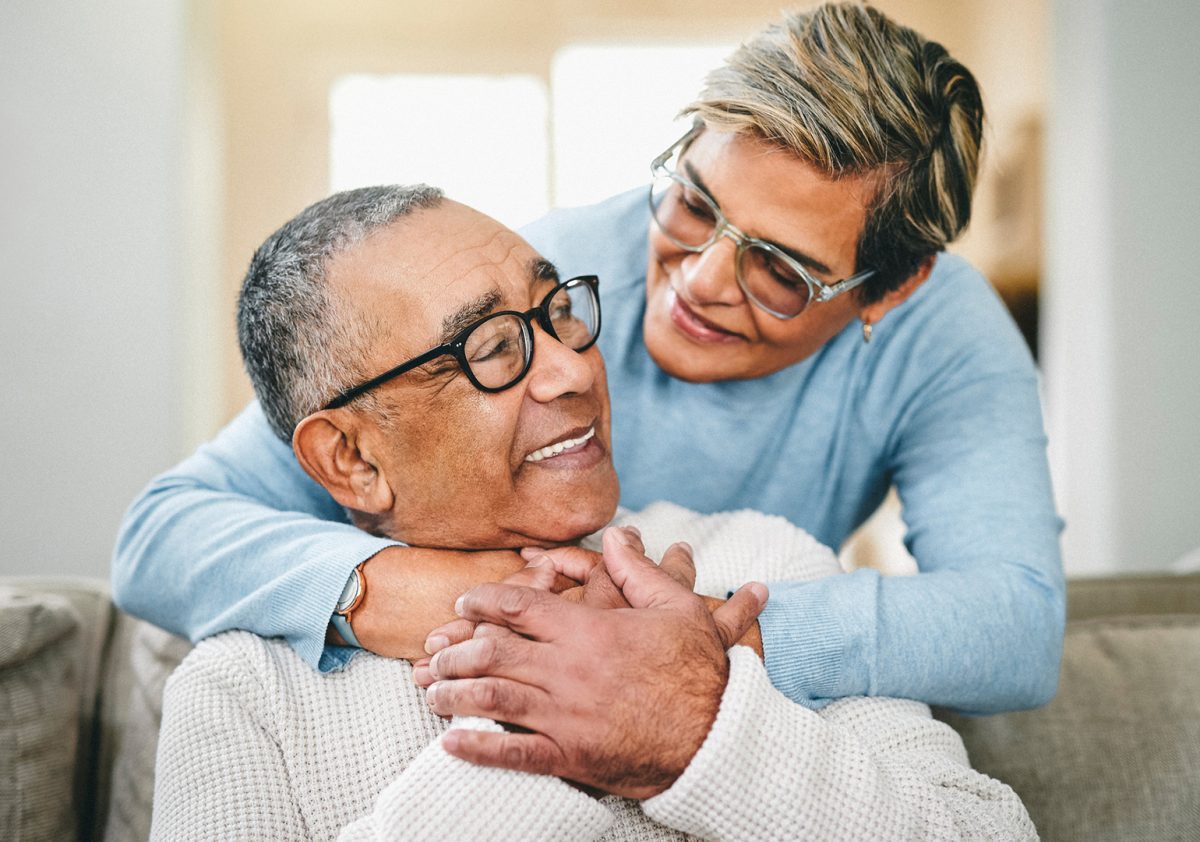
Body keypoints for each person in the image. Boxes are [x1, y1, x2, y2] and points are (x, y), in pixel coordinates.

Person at [114, 2, 1063, 714]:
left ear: (888, 290)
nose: (696, 280)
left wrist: (681, 642)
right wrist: (395, 590)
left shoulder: (945, 339)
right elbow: (163, 534)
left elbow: (1012, 630)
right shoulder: (544, 278)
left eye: (779, 269)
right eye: (694, 202)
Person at [150, 185, 1036, 839]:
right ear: (351, 458)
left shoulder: (761, 565)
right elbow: (160, 531)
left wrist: (695, 722)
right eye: (492, 348)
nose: (576, 369)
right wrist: (535, 711)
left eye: (560, 312)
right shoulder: (242, 691)